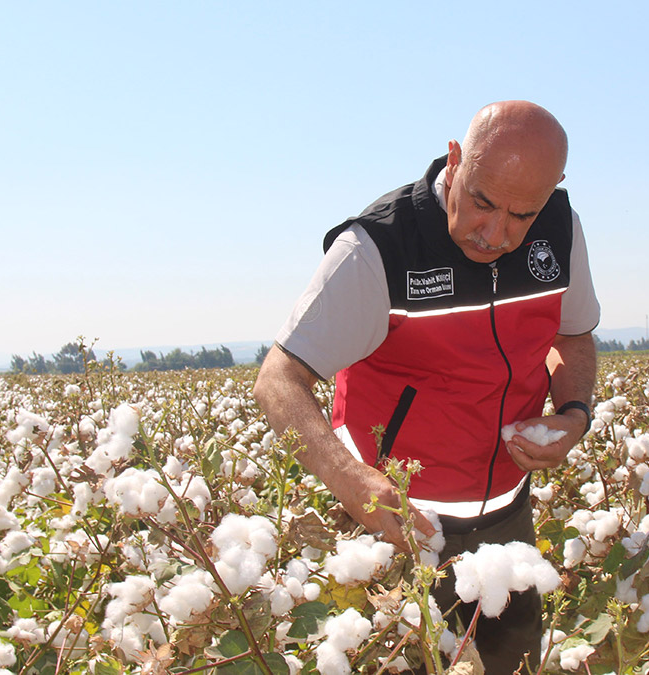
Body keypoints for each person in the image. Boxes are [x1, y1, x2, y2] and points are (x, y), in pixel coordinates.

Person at [253, 100, 599, 673]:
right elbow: (277, 379)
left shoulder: (559, 230)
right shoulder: (377, 249)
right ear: (455, 160)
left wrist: (574, 413)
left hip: (507, 521)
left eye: (522, 214)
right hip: (398, 528)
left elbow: (576, 336)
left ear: (552, 192)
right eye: (483, 202)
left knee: (515, 666)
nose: (496, 233)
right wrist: (350, 479)